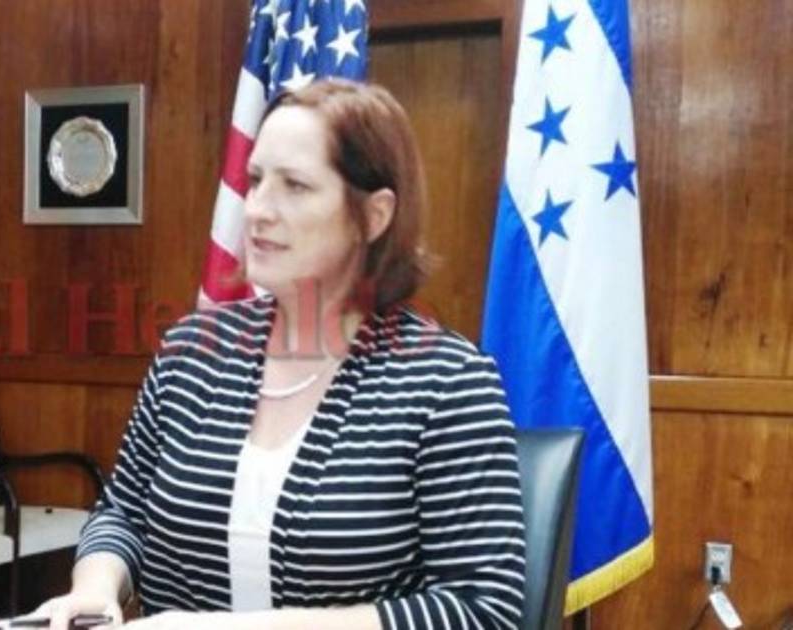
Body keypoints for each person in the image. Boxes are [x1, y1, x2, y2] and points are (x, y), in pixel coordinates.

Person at [33, 79, 526, 630]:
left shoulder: (448, 382)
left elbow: (482, 610)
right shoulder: (191, 352)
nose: (257, 210)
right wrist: (96, 590)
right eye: (255, 180)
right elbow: (122, 513)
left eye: (295, 186)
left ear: (374, 215)